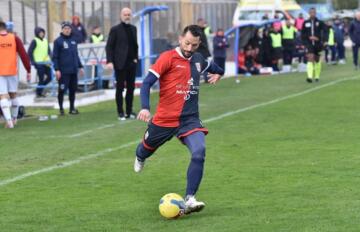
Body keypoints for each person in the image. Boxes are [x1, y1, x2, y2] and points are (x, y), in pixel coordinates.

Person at [134, 25, 224, 215]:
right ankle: (140, 156)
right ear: (180, 38)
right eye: (187, 43)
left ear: (199, 44)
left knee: (199, 152)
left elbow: (217, 67)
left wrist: (218, 74)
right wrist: (144, 107)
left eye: (194, 45)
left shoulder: (199, 59)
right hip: (165, 119)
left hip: (189, 120)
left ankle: (190, 198)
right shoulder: (167, 58)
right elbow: (147, 83)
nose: (190, 48)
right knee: (144, 150)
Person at [106, 7, 138, 120]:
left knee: (131, 88)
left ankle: (129, 111)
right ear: (121, 16)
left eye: (129, 14)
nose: (127, 16)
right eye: (125, 14)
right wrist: (109, 61)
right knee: (120, 88)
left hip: (131, 64)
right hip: (120, 63)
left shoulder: (134, 28)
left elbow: (135, 45)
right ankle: (120, 112)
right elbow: (109, 46)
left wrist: (136, 58)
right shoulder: (115, 29)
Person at [0, 21, 31, 128]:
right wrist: (28, 70)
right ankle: (14, 119)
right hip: (12, 71)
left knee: (2, 96)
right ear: (6, 29)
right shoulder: (14, 38)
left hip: (0, 72)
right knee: (13, 95)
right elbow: (23, 54)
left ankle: (9, 122)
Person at [52, 21, 84, 115]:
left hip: (73, 70)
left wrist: (80, 66)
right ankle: (61, 109)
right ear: (62, 29)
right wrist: (57, 69)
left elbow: (76, 55)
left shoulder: (73, 40)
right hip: (64, 71)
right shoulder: (58, 41)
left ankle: (72, 108)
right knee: (62, 90)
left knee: (73, 90)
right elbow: (55, 57)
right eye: (65, 28)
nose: (67, 30)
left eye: (69, 28)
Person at [301, 8, 327, 83]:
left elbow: (325, 31)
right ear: (309, 13)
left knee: (317, 60)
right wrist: (306, 40)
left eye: (314, 12)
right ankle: (309, 77)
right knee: (310, 57)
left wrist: (323, 40)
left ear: (315, 13)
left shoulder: (320, 22)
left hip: (318, 44)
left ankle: (317, 77)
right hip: (309, 44)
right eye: (311, 12)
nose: (312, 14)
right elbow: (303, 34)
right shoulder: (305, 23)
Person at [27, 27, 52, 97]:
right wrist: (32, 61)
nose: (42, 34)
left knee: (50, 76)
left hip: (46, 63)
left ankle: (39, 89)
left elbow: (49, 51)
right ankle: (39, 93)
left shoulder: (45, 41)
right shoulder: (34, 41)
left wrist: (52, 59)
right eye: (40, 32)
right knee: (41, 79)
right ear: (37, 33)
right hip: (39, 64)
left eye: (43, 32)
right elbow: (29, 52)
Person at [196, 18, 211, 82]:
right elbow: (198, 41)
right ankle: (196, 79)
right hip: (200, 51)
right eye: (202, 23)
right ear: (198, 23)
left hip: (204, 51)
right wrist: (204, 46)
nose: (203, 24)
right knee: (199, 66)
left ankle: (206, 79)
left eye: (203, 23)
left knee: (204, 65)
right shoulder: (197, 31)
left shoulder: (202, 30)